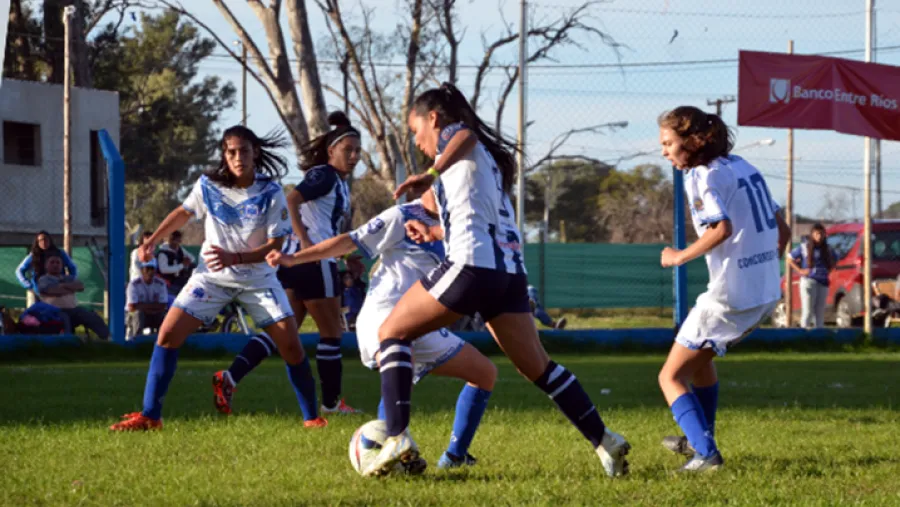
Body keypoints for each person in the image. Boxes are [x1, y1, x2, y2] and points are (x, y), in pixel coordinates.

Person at [360, 82, 630, 478]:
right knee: (539, 367)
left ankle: (397, 436)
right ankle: (604, 441)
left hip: (471, 268)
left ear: (434, 119)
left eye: (415, 129)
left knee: (392, 332)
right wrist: (434, 233)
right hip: (508, 276)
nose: (417, 141)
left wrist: (430, 172)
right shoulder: (481, 161)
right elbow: (476, 218)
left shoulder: (454, 139)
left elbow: (463, 133)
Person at [109, 125, 325, 431]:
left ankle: (313, 419)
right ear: (224, 155)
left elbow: (275, 245)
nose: (238, 157)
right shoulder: (208, 185)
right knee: (168, 335)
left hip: (258, 280)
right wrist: (154, 238)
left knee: (291, 347)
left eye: (244, 151)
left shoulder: (271, 191)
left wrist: (234, 258)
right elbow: (183, 213)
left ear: (255, 153)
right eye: (231, 152)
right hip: (211, 278)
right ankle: (150, 417)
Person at [268, 194, 497, 469]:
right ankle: (388, 448)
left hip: (422, 323)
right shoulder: (402, 216)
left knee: (484, 373)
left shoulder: (456, 224)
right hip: (384, 316)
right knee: (403, 361)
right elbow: (349, 240)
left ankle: (453, 458)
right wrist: (293, 259)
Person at [656, 106, 791, 472]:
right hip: (764, 290)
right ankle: (702, 437)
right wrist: (763, 261)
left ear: (694, 141)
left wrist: (678, 256)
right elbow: (785, 230)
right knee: (702, 363)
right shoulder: (743, 165)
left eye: (669, 143)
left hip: (731, 295)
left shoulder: (702, 175)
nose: (664, 151)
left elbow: (721, 229)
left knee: (669, 376)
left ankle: (705, 454)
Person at [213, 112, 361, 416]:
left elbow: (320, 219)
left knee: (283, 330)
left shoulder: (339, 182)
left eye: (357, 151)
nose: (354, 156)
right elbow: (291, 199)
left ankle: (230, 377)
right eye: (348, 150)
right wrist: (307, 241)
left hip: (297, 264)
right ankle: (331, 404)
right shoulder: (325, 175)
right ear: (331, 151)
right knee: (332, 334)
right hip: (314, 262)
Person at [37, 253, 110, 340]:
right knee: (64, 318)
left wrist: (61, 286)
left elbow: (80, 286)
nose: (55, 265)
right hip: (52, 311)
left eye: (58, 263)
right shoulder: (44, 279)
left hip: (72, 310)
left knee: (89, 315)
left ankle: (108, 338)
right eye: (52, 262)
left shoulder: (69, 278)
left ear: (62, 265)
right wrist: (69, 288)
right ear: (46, 266)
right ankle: (67, 342)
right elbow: (51, 290)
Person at [788, 224, 835, 329]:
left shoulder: (827, 248)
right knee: (808, 310)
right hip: (809, 281)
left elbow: (835, 260)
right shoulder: (804, 247)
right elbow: (789, 258)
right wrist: (800, 270)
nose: (820, 236)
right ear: (812, 234)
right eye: (817, 233)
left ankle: (818, 335)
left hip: (823, 282)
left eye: (822, 233)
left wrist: (829, 270)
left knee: (820, 311)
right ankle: (803, 334)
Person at [16, 231, 78, 302]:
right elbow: (19, 270)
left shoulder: (60, 253)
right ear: (37, 242)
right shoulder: (34, 255)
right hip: (40, 293)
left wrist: (70, 282)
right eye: (40, 240)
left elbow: (73, 268)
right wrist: (29, 285)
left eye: (45, 239)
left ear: (50, 240)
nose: (43, 242)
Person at [126, 259, 169, 340]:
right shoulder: (134, 284)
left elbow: (163, 305)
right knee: (138, 314)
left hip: (154, 313)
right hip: (135, 316)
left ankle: (163, 340)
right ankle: (136, 340)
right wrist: (153, 306)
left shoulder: (161, 283)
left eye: (152, 269)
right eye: (147, 269)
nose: (149, 272)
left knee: (165, 315)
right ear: (142, 270)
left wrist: (142, 306)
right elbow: (132, 306)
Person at [156, 230, 196, 298]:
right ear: (170, 240)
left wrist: (187, 261)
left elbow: (192, 258)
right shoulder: (163, 253)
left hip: (179, 281)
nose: (176, 243)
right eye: (174, 240)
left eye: (178, 241)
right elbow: (164, 269)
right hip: (168, 283)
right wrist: (181, 265)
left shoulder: (179, 249)